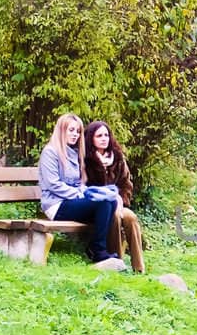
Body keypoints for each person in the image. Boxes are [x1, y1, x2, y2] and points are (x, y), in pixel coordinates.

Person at [37, 112, 121, 267]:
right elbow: (53, 184)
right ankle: (98, 250)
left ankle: (95, 247)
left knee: (110, 201)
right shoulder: (50, 152)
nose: (75, 134)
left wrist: (89, 191)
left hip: (72, 202)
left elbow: (78, 183)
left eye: (78, 131)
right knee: (102, 204)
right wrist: (79, 194)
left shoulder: (75, 153)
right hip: (56, 205)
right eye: (71, 130)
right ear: (62, 130)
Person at [84, 120, 145, 273]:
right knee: (115, 217)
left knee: (130, 217)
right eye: (99, 136)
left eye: (106, 135)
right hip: (97, 206)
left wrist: (121, 200)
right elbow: (83, 188)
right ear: (91, 138)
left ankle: (139, 267)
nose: (104, 139)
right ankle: (117, 261)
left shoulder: (117, 158)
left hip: (118, 203)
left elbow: (126, 185)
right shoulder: (86, 160)